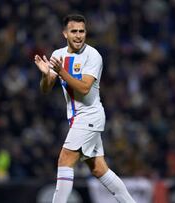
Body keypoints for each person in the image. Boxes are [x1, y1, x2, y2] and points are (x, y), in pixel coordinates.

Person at [34, 14, 136, 203]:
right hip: (77, 118)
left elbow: (83, 88)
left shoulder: (93, 56)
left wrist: (61, 72)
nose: (79, 35)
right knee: (99, 169)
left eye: (82, 31)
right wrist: (45, 75)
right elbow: (46, 89)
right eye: (74, 31)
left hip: (90, 115)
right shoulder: (58, 55)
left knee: (64, 160)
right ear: (65, 33)